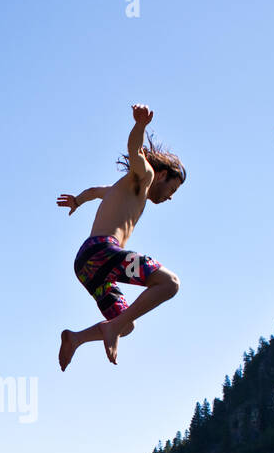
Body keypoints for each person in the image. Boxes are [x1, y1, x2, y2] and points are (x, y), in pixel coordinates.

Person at [58, 104, 185, 369]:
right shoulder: (144, 176)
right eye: (172, 188)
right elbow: (134, 151)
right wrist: (140, 126)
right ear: (161, 175)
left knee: (128, 324)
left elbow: (95, 190)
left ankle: (76, 339)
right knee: (170, 283)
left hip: (86, 265)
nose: (170, 197)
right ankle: (112, 328)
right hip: (102, 251)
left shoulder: (121, 188)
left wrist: (77, 201)